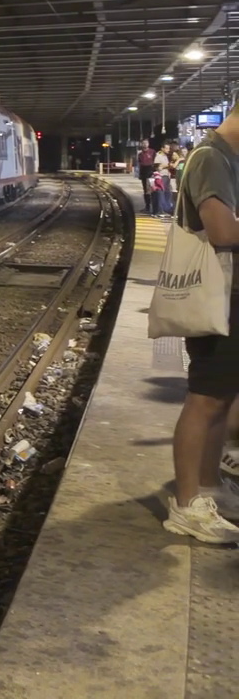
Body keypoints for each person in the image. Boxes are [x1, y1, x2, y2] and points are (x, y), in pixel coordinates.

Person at [164, 100, 239, 542]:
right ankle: (187, 504)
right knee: (206, 399)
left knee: (222, 398)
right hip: (218, 297)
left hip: (229, 295)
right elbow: (223, 230)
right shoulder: (211, 158)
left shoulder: (227, 158)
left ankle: (209, 486)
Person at [137, 141, 158, 214]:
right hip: (144, 173)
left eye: (146, 143)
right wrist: (140, 174)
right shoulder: (140, 154)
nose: (145, 144)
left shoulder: (153, 152)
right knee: (146, 191)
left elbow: (155, 162)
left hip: (151, 172)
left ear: (148, 144)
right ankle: (147, 206)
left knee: (152, 190)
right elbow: (140, 164)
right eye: (143, 143)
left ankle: (154, 207)